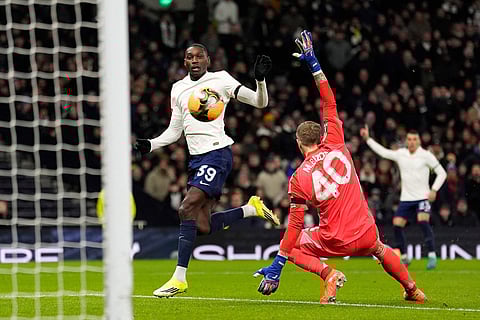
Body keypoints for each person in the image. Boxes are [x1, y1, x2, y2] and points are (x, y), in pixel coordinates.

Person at [253, 30, 426, 303]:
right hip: (366, 231)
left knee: (294, 244)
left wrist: (279, 263)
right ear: (319, 136)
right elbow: (329, 102)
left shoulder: (298, 178)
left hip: (333, 240)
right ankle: (413, 290)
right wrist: (314, 65)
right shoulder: (334, 140)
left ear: (299, 143)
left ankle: (328, 274)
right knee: (381, 249)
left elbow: (295, 226)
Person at [134, 43, 279, 297]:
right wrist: (151, 145)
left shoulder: (221, 80)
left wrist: (260, 80)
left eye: (199, 56)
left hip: (217, 154)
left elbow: (259, 102)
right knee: (202, 226)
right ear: (185, 62)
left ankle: (179, 278)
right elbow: (175, 130)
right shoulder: (178, 89)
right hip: (196, 159)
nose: (195, 60)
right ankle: (249, 209)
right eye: (190, 56)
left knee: (185, 208)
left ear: (208, 60)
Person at [360, 127, 447, 270]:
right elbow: (384, 152)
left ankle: (432, 255)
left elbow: (442, 173)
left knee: (422, 220)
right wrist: (368, 139)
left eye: (414, 139)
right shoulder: (401, 154)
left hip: (422, 197)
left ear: (419, 141)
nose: (412, 142)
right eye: (409, 139)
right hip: (406, 198)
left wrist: (434, 189)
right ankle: (405, 256)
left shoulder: (426, 155)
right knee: (397, 224)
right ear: (406, 141)